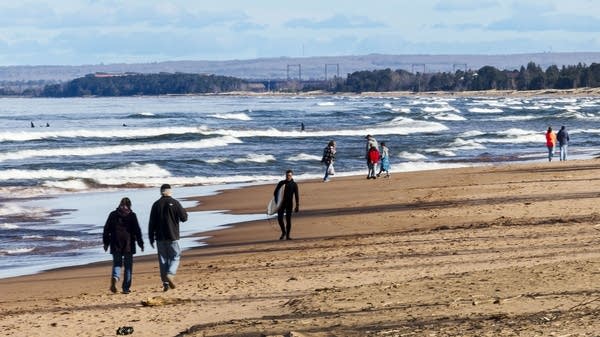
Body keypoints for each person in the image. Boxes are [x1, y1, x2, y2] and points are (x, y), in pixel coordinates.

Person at [148, 184, 188, 292]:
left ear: (161, 192)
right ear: (170, 192)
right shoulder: (175, 203)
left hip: (160, 237)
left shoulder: (156, 204)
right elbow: (184, 218)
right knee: (175, 256)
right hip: (172, 235)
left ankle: (165, 283)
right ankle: (170, 274)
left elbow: (151, 223)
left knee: (163, 260)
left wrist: (151, 237)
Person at [102, 197, 144, 294]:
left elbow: (106, 230)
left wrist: (106, 243)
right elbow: (137, 231)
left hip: (115, 242)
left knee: (117, 264)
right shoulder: (132, 215)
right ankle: (125, 288)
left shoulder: (113, 214)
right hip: (128, 244)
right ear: (130, 205)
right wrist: (140, 243)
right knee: (128, 266)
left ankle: (115, 277)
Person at [274, 170, 299, 240]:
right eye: (287, 175)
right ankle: (283, 232)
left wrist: (297, 205)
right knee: (279, 218)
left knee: (288, 220)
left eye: (289, 175)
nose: (288, 177)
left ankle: (288, 235)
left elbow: (296, 195)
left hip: (289, 204)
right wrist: (277, 202)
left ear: (292, 176)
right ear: (285, 175)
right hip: (281, 203)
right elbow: (275, 193)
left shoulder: (294, 184)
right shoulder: (281, 183)